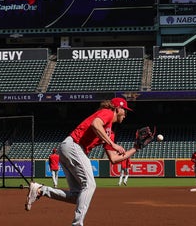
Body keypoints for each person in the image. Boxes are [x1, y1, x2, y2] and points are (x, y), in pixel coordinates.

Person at [25, 97, 140, 226]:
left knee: (77, 196)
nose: (125, 114)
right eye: (124, 110)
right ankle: (77, 224)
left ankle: (40, 190)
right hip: (74, 145)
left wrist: (136, 148)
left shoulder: (110, 132)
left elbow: (113, 159)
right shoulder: (107, 112)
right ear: (118, 109)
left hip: (70, 148)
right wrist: (113, 144)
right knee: (90, 185)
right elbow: (95, 124)